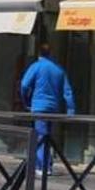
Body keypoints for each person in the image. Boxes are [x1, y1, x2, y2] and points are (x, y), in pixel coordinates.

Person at [19, 43, 76, 174]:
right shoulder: (58, 69)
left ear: (39, 54)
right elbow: (68, 91)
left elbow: (24, 85)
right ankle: (46, 163)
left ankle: (43, 166)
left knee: (40, 136)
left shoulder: (36, 66)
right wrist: (70, 110)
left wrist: (25, 100)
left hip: (38, 107)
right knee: (47, 135)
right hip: (53, 108)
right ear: (51, 53)